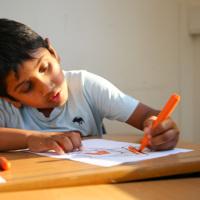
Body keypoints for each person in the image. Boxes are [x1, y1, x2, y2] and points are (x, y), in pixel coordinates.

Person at [0, 18, 179, 155]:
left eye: (46, 68)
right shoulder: (6, 108)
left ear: (54, 53)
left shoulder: (86, 86)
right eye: (27, 87)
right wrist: (31, 138)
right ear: (10, 98)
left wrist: (161, 128)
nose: (47, 87)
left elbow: (147, 115)